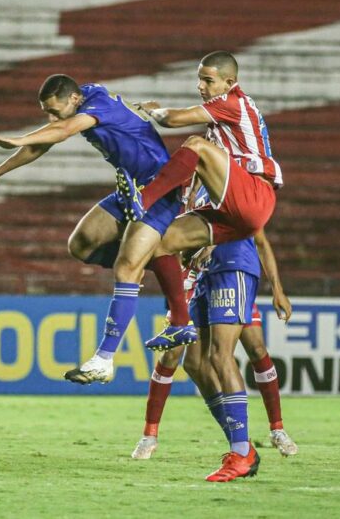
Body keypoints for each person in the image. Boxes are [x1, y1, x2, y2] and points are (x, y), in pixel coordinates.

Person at [64, 51, 284, 385]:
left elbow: (172, 120)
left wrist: (155, 111)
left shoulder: (232, 102)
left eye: (208, 80)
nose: (201, 86)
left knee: (193, 144)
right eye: (199, 79)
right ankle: (179, 323)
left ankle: (145, 198)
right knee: (161, 243)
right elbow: (199, 174)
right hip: (232, 214)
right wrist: (190, 204)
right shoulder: (219, 129)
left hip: (255, 194)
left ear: (229, 82)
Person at [0, 75, 196, 384]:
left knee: (126, 267)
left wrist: (20, 138)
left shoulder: (96, 105)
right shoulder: (87, 97)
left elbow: (61, 131)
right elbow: (48, 139)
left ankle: (104, 359)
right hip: (130, 190)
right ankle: (159, 263)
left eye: (54, 110)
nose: (51, 118)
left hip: (158, 190)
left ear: (73, 100)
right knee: (82, 243)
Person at [132, 231, 297, 468]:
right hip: (193, 280)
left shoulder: (234, 201)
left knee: (255, 348)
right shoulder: (185, 199)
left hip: (229, 275)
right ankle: (150, 436)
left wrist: (277, 289)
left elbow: (253, 235)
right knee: (179, 357)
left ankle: (276, 429)